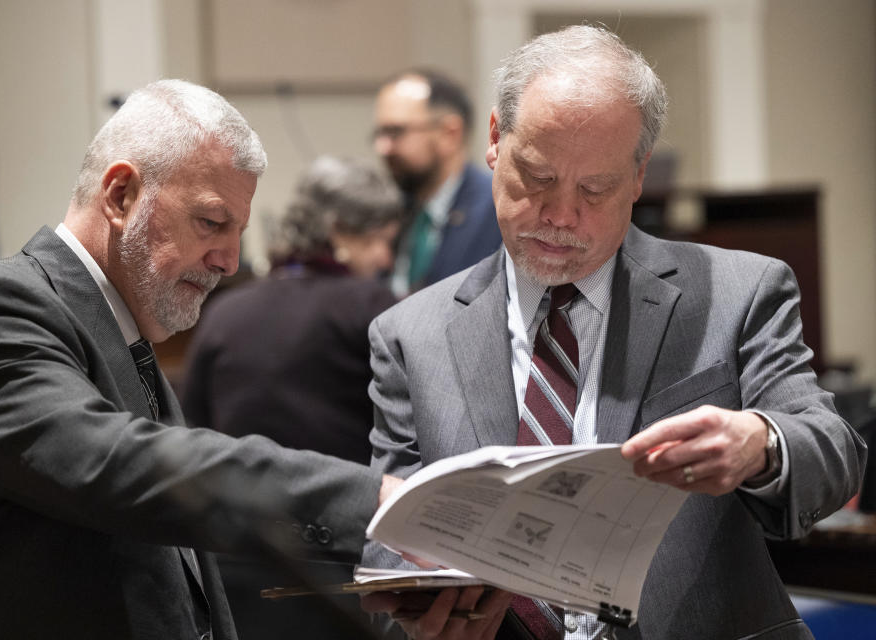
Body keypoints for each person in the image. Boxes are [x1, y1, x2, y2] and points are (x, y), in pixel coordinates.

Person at [360, 25, 867, 640]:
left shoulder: (737, 292)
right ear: (495, 140)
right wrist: (428, 602)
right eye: (538, 177)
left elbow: (830, 452)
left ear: (637, 176)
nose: (560, 215)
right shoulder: (410, 333)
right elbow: (390, 526)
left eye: (594, 189)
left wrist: (759, 442)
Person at [0, 79, 399, 639]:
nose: (229, 261)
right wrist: (373, 500)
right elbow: (119, 465)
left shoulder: (128, 329)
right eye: (212, 223)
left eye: (239, 232)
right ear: (121, 195)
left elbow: (178, 554)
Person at [180, 155, 402, 639]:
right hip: (337, 571)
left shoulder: (225, 312)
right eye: (382, 239)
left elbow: (191, 431)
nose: (387, 259)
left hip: (232, 566)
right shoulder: (374, 309)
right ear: (342, 230)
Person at [373, 69, 502, 297]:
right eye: (380, 133)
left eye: (396, 132)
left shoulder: (498, 209)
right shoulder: (387, 212)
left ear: (450, 133)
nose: (382, 147)